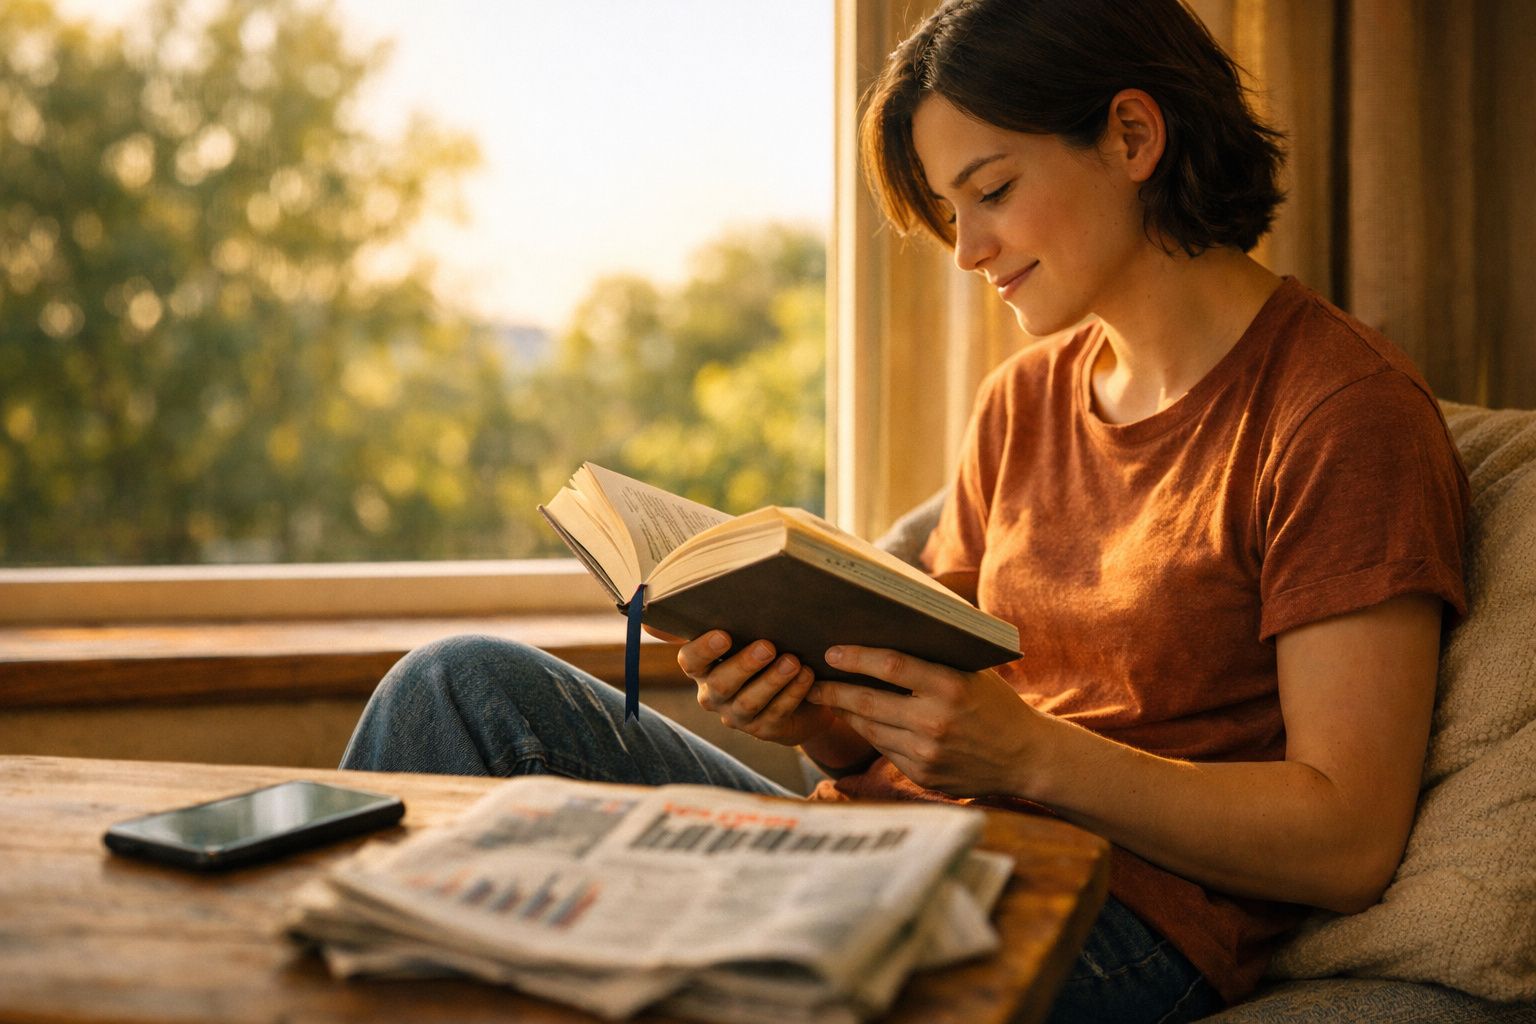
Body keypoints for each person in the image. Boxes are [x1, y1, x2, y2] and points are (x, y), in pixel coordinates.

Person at [340, 1, 1469, 1021]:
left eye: (991, 191)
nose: (969, 251)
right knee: (458, 686)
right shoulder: (1022, 402)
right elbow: (930, 716)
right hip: (885, 843)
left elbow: (1347, 839)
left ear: (1132, 136)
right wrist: (817, 715)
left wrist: (1033, 757)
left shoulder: (1338, 413)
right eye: (949, 212)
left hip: (1111, 919)